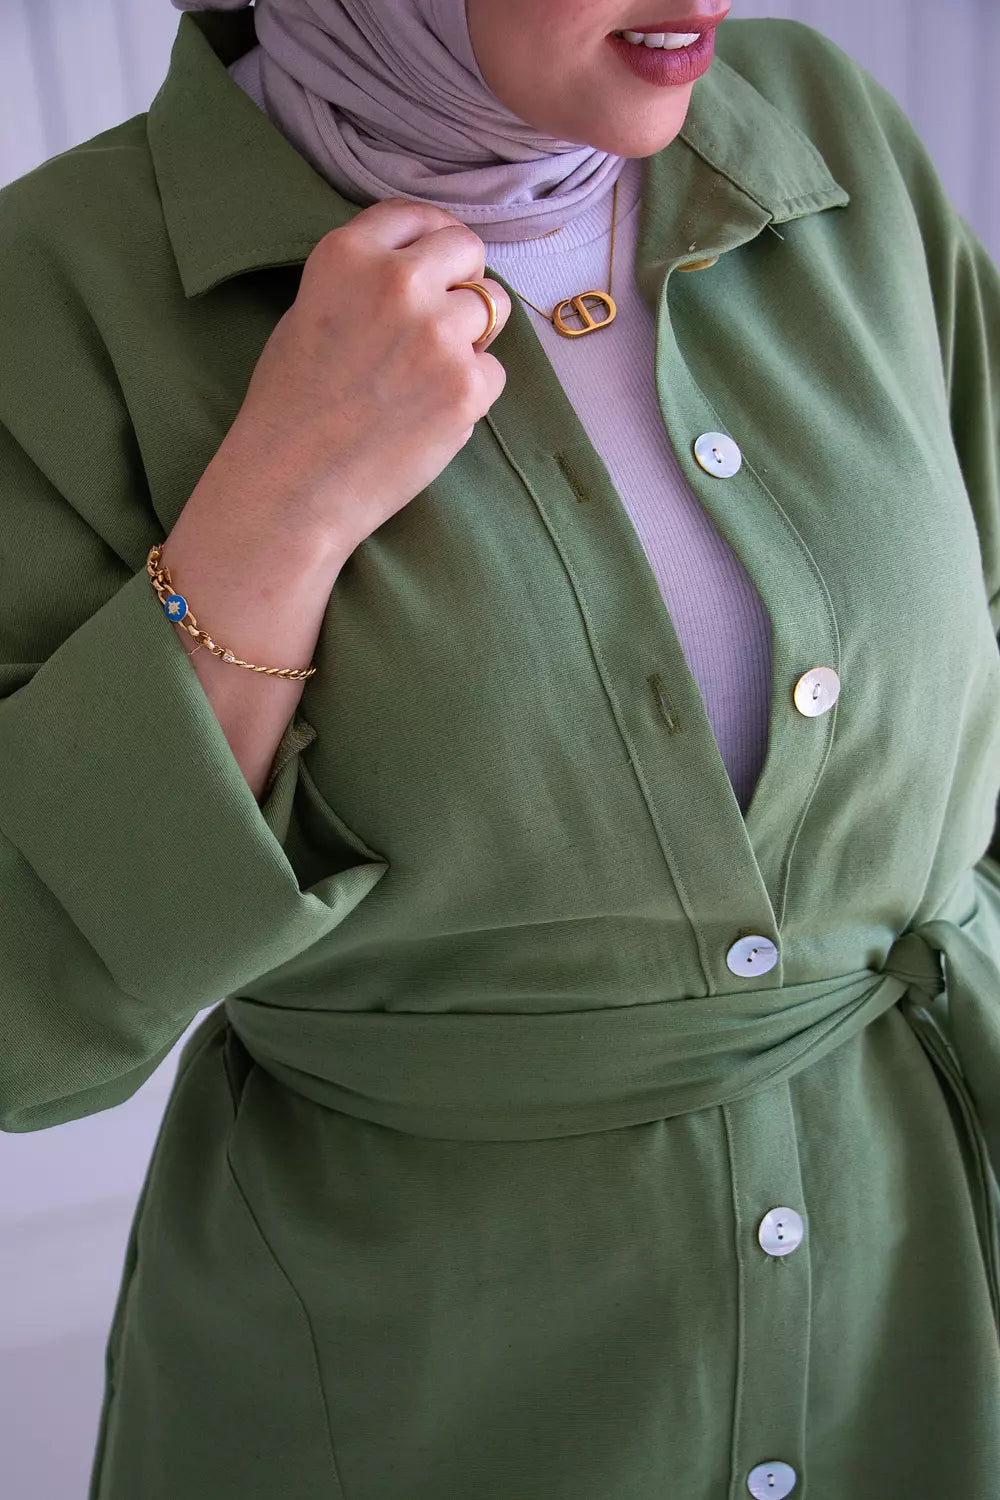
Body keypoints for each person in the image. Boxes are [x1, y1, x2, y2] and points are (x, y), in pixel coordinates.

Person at [1, 0, 999, 1494]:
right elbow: (22, 1016)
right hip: (417, 1399)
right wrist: (285, 501)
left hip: (924, 1315)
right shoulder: (58, 286)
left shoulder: (816, 118)